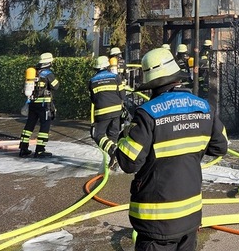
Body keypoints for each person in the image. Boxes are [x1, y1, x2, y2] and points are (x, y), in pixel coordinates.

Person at [104, 47, 228, 251]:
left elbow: (128, 162)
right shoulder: (204, 107)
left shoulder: (147, 114)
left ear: (151, 82)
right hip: (190, 216)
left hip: (156, 219)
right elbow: (220, 146)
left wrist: (125, 134)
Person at [19, 52, 60, 158]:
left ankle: (23, 148)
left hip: (32, 103)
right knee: (44, 126)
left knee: (29, 125)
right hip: (44, 104)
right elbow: (56, 86)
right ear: (49, 62)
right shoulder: (47, 73)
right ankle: (40, 150)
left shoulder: (34, 72)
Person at [88, 56, 125, 167]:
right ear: (107, 66)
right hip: (117, 111)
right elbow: (123, 95)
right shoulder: (116, 77)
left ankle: (114, 152)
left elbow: (93, 100)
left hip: (102, 112)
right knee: (112, 136)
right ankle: (114, 161)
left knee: (97, 134)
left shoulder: (92, 81)